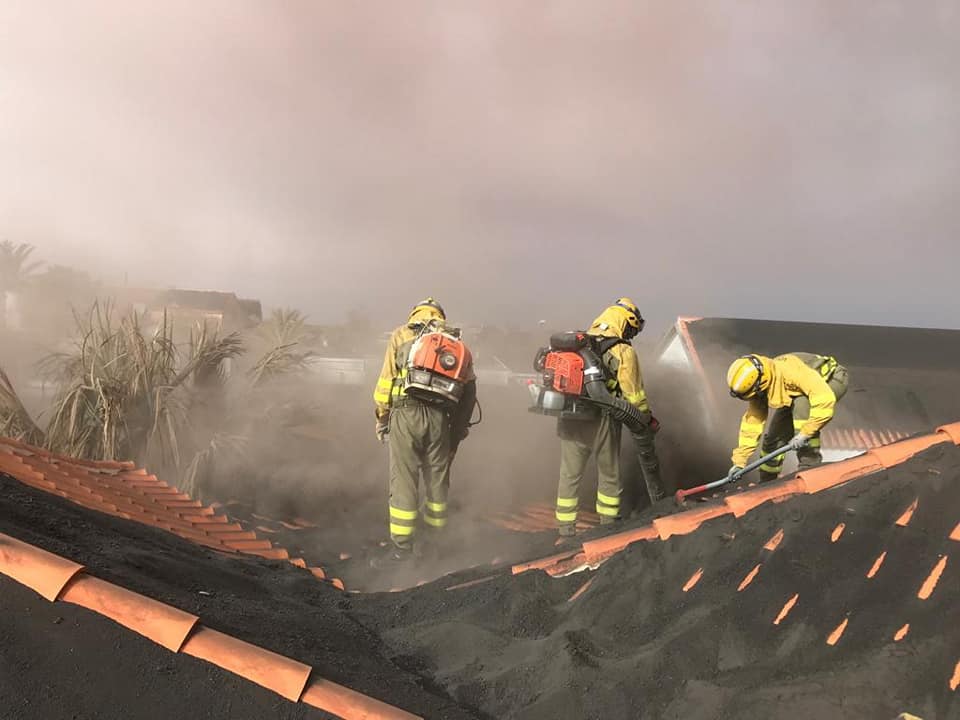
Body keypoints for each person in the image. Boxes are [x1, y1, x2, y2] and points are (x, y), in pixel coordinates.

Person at [372, 297, 477, 562]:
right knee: (437, 484)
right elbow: (469, 394)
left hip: (405, 415)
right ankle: (435, 546)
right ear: (441, 316)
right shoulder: (457, 344)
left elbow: (385, 383)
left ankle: (402, 551)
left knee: (405, 481)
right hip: (441, 420)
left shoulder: (401, 334)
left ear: (414, 314)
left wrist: (382, 419)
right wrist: (455, 435)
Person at [555, 298, 662, 537]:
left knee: (569, 474)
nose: (632, 335)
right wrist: (645, 420)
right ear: (627, 323)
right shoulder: (622, 350)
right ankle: (608, 527)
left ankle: (564, 530)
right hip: (602, 416)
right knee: (609, 474)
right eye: (633, 330)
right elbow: (634, 396)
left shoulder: (578, 345)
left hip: (570, 415)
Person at [726, 352, 849, 482]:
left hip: (831, 379)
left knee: (802, 406)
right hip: (797, 393)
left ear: (760, 384)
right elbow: (752, 426)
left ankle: (809, 466)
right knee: (774, 438)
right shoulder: (762, 384)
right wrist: (739, 462)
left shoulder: (791, 372)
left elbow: (824, 400)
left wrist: (805, 434)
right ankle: (766, 482)